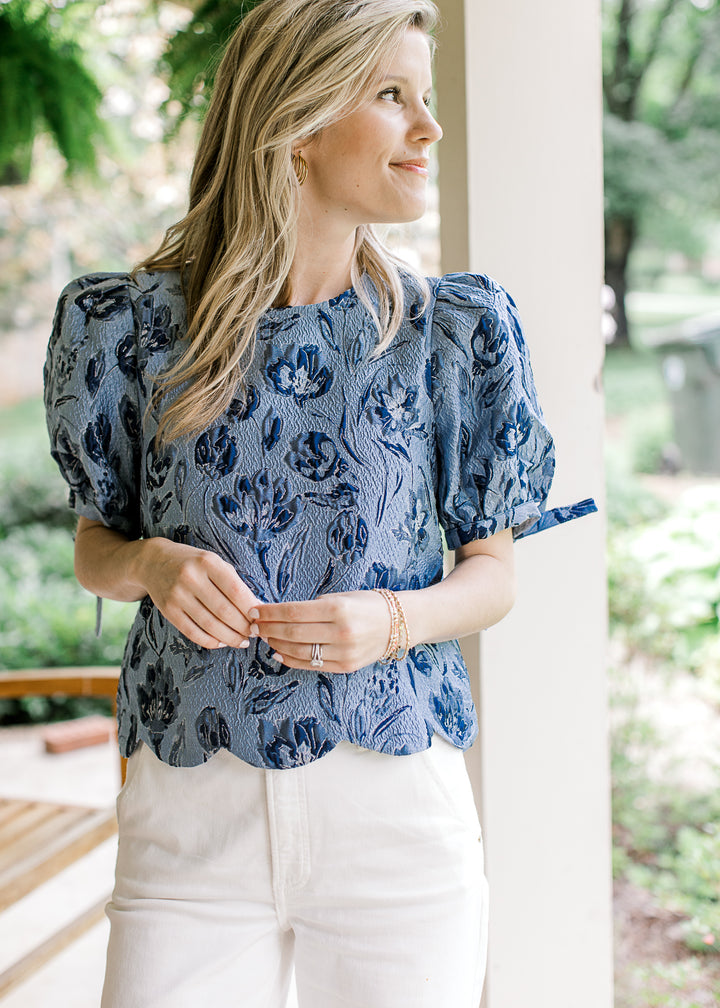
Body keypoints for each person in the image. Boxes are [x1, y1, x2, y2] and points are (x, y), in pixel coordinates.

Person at [44, 1, 596, 1005]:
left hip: (396, 828)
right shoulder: (128, 330)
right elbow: (97, 543)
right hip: (186, 828)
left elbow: (494, 575)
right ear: (295, 123)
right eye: (394, 97)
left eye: (425, 97)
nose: (428, 128)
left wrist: (390, 621)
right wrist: (150, 565)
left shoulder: (451, 333)